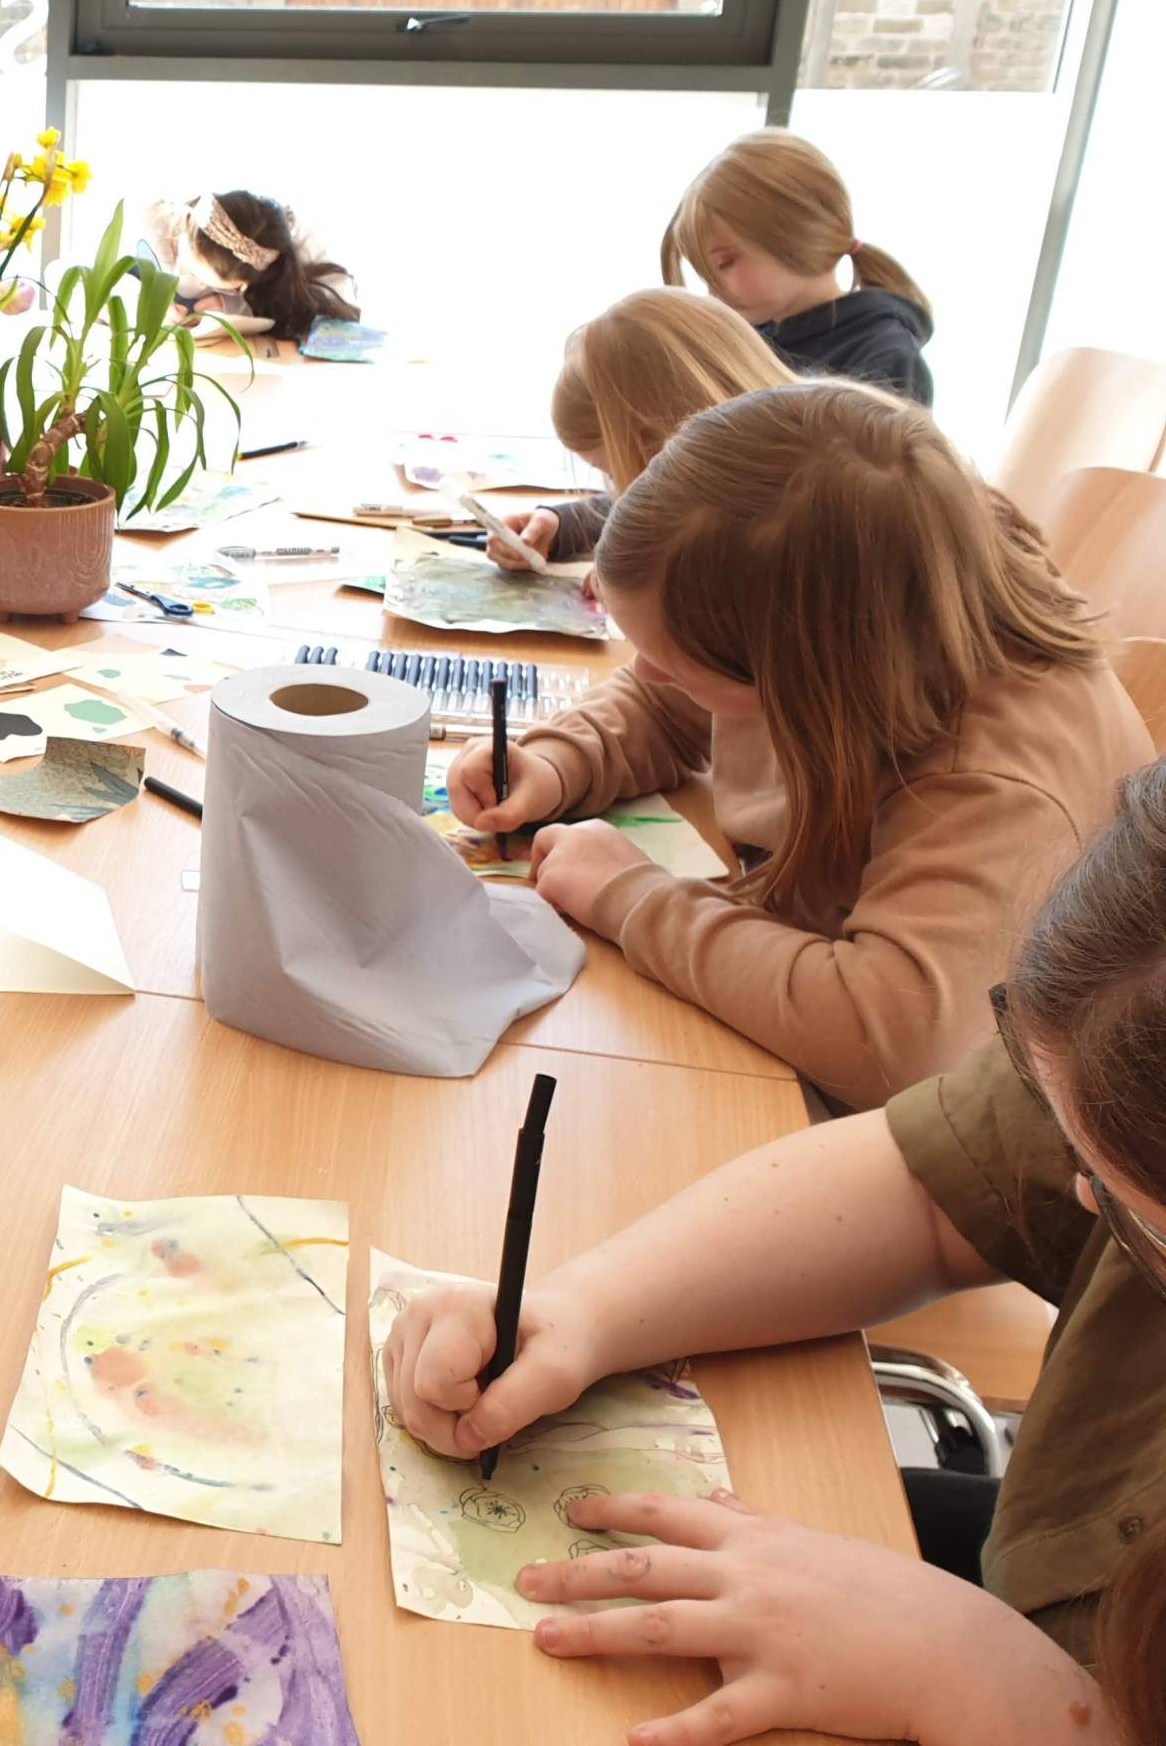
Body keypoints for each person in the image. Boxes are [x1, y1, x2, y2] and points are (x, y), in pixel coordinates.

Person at [381, 757, 1166, 1746]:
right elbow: (927, 1188)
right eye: (1072, 1149)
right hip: (1047, 1566)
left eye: (1140, 1224)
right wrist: (587, 1309)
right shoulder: (1133, 1020)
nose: (1084, 1199)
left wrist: (990, 1687)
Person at [448, 380, 1148, 1112]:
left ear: (805, 671)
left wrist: (629, 896)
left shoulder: (994, 777)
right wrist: (562, 758)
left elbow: (889, 1044)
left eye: (673, 657)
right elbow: (678, 693)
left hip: (1008, 1154)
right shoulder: (862, 612)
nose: (646, 672)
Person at [489, 289, 794, 569]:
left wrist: (628, 587)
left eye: (614, 473)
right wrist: (562, 524)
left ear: (665, 440)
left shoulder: (790, 517)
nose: (624, 490)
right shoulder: (769, 458)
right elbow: (658, 504)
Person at [663, 128, 934, 405]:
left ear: (794, 236)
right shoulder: (747, 344)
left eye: (725, 263)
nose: (713, 290)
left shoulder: (885, 359)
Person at [138, 190, 357, 342]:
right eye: (196, 275)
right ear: (186, 223)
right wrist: (147, 306)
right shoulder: (151, 227)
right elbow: (110, 288)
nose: (201, 286)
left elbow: (337, 304)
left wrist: (228, 306)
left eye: (231, 288)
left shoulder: (287, 249)